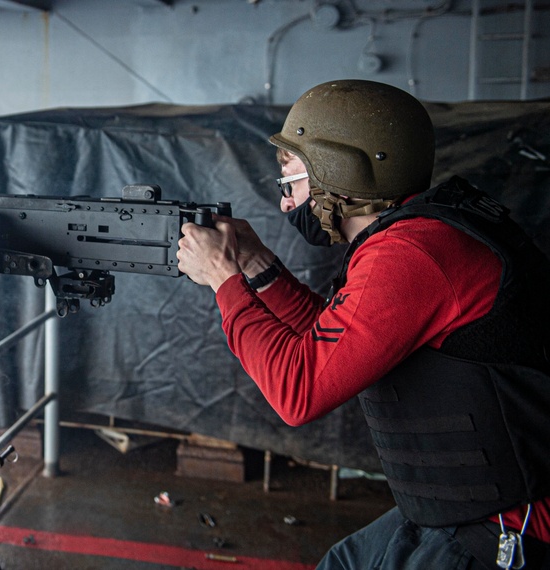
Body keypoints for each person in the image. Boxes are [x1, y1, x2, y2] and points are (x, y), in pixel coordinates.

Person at [177, 79, 550, 569]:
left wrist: (223, 280)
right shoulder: (410, 237)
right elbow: (333, 344)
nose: (286, 197)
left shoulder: (412, 253)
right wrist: (254, 264)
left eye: (293, 176)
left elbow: (300, 389)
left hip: (505, 525)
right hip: (455, 509)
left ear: (343, 170)